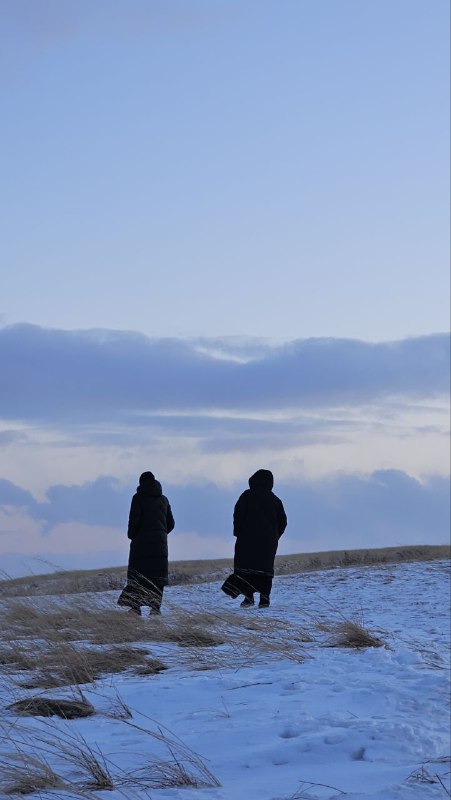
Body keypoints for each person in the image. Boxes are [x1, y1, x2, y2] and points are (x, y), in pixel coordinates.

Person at [221, 469, 287, 608]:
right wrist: (274, 537)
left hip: (246, 542)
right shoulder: (276, 500)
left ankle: (248, 598)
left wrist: (238, 532)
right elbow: (283, 522)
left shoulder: (246, 496)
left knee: (245, 570)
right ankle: (264, 600)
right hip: (268, 544)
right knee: (264, 572)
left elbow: (238, 515)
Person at [118, 471, 175, 615]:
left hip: (141, 547)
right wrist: (160, 534)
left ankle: (135, 607)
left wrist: (132, 535)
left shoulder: (138, 498)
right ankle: (155, 608)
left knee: (138, 576)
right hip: (160, 547)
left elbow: (134, 521)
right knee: (157, 578)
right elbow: (171, 524)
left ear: (141, 483)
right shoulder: (164, 500)